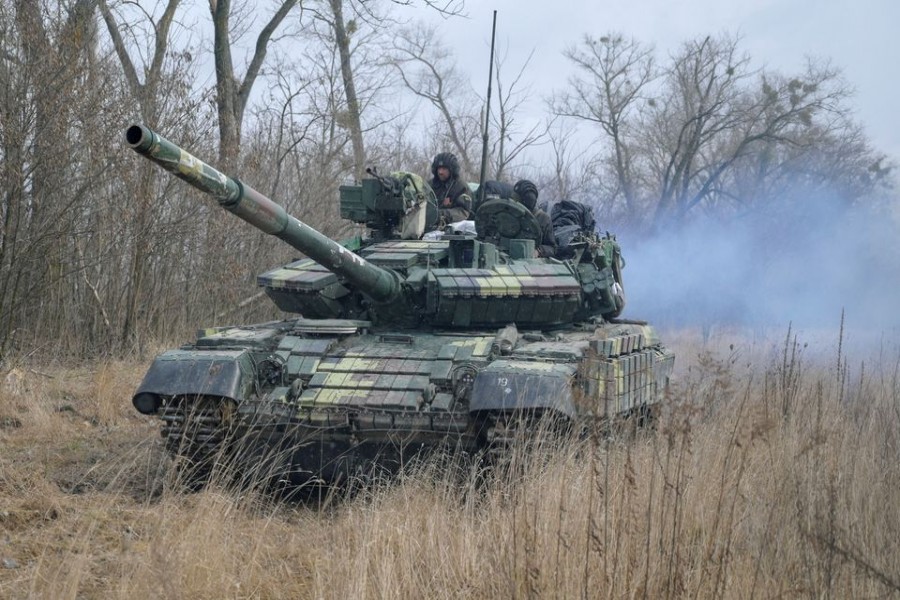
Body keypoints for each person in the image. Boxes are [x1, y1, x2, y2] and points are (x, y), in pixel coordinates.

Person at [513, 179, 556, 258]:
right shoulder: (509, 214)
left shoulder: (543, 219)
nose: (513, 201)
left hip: (530, 261)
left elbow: (552, 248)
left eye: (515, 198)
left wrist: (539, 251)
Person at [430, 152, 472, 224]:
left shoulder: (461, 187)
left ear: (452, 170)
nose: (440, 172)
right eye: (439, 168)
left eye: (444, 169)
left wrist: (442, 214)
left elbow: (463, 212)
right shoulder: (430, 185)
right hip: (428, 225)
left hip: (450, 227)